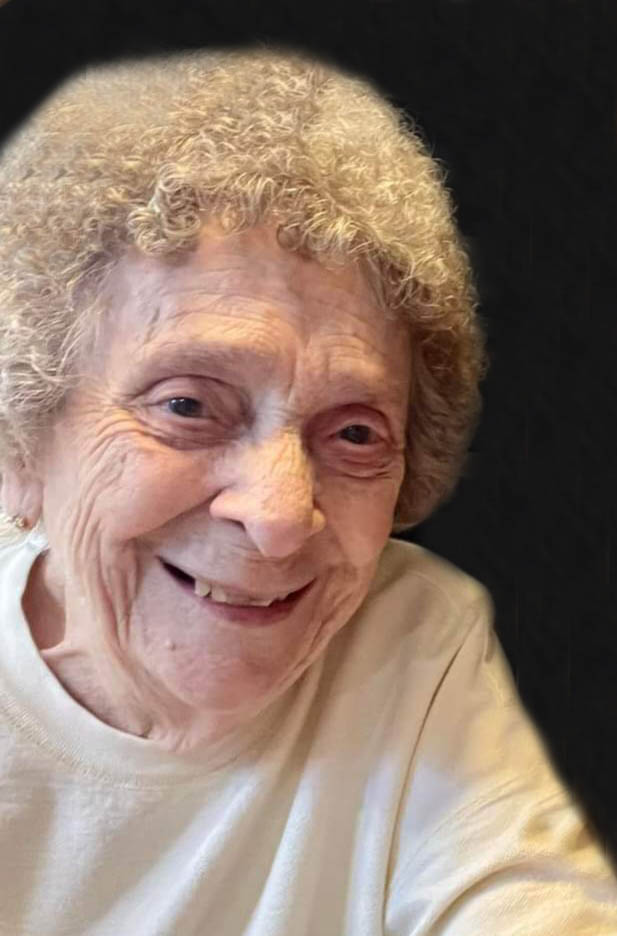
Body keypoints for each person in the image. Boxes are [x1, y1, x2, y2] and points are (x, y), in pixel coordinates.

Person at [0, 46, 614, 936]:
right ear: (21, 439)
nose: (281, 516)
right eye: (187, 406)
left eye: (355, 433)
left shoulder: (410, 641)